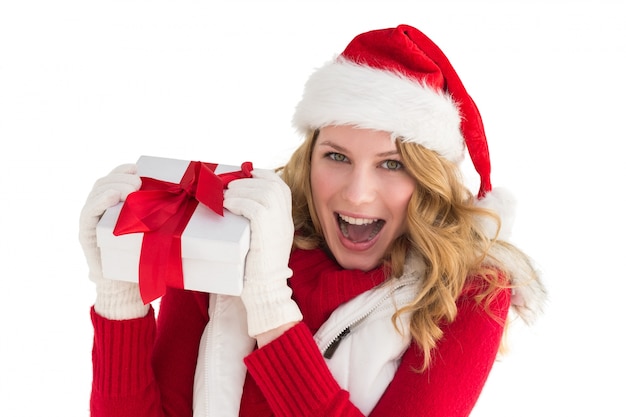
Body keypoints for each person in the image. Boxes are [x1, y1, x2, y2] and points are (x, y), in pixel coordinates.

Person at [79, 24, 546, 417]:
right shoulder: (232, 239)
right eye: (337, 156)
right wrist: (119, 302)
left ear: (429, 180)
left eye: (392, 163)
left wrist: (272, 311)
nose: (357, 193)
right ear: (309, 160)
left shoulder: (471, 293)